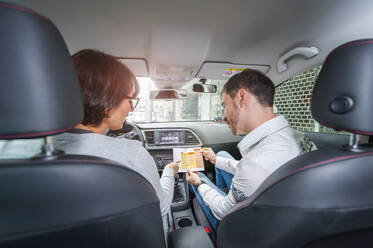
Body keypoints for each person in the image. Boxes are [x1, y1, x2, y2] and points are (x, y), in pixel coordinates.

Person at [51, 49, 179, 227]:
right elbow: (161, 208)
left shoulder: (36, 154)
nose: (131, 108)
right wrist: (168, 173)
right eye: (130, 100)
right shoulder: (133, 155)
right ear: (107, 102)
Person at [186, 69, 301, 231]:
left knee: (200, 176)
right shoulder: (290, 136)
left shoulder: (255, 165)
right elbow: (251, 169)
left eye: (224, 106)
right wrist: (215, 160)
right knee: (221, 156)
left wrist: (198, 183)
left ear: (241, 97)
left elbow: (222, 212)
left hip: (239, 225)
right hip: (275, 209)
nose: (223, 117)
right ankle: (231, 195)